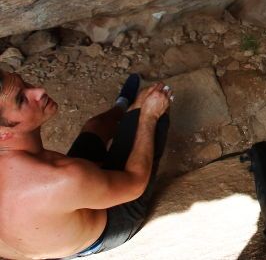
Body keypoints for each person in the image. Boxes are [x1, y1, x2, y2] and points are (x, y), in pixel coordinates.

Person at [0, 70, 172, 259]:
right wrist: (149, 117)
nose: (39, 91)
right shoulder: (63, 178)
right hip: (109, 226)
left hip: (58, 219)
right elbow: (136, 183)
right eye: (21, 100)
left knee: (95, 125)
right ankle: (136, 111)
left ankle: (122, 105)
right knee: (146, 110)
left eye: (25, 83)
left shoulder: (57, 175)